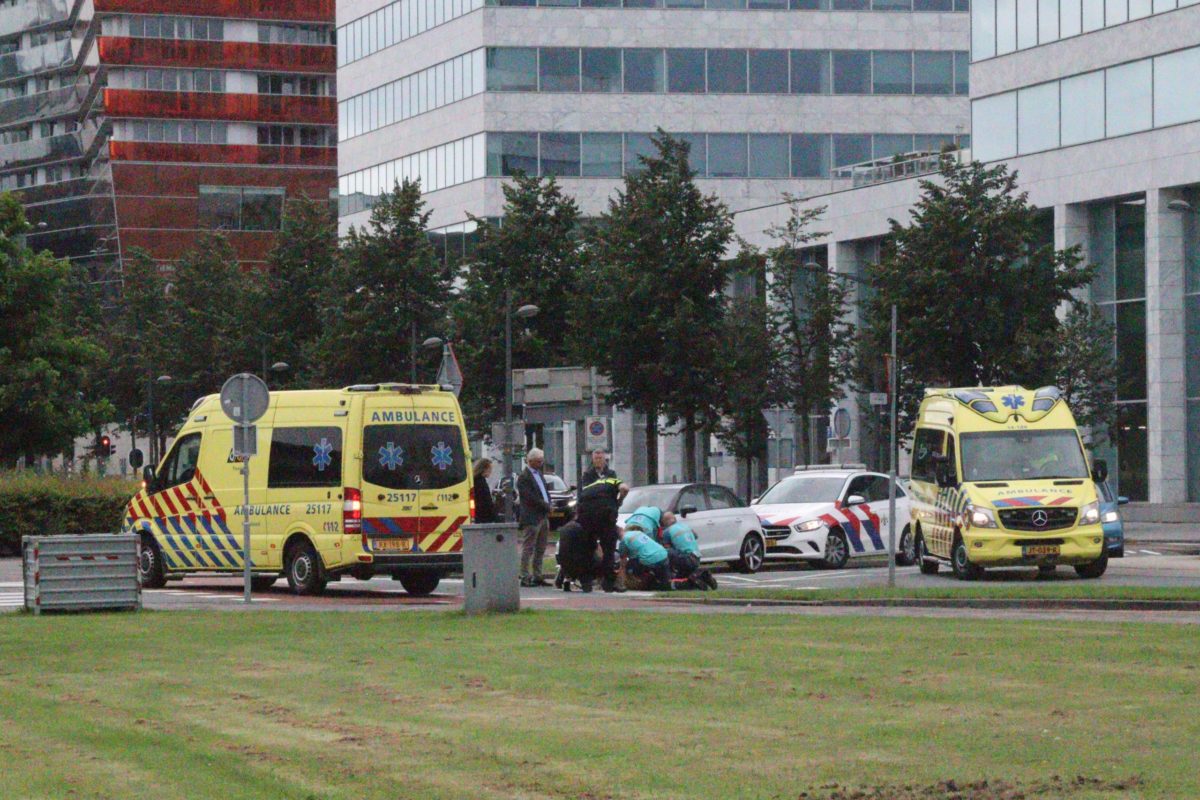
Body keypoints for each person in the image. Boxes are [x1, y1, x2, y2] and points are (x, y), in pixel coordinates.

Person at [574, 474, 629, 593]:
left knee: (587, 549)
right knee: (608, 549)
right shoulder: (613, 480)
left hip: (586, 515)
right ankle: (608, 583)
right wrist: (619, 501)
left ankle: (586, 582)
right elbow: (625, 489)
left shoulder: (589, 486)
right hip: (605, 514)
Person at [517, 448, 552, 587]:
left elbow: (544, 491)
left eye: (542, 461)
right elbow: (530, 497)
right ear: (530, 461)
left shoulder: (540, 474)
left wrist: (549, 502)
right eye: (538, 461)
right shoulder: (524, 477)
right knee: (528, 547)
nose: (541, 463)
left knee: (541, 547)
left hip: (543, 516)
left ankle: (538, 575)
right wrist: (545, 505)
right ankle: (525, 576)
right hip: (532, 516)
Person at [658, 511, 718, 591]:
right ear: (675, 519)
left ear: (664, 522)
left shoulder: (667, 532)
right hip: (697, 558)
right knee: (680, 579)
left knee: (666, 551)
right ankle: (702, 576)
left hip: (686, 559)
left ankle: (696, 577)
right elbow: (695, 536)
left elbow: (667, 550)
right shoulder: (686, 526)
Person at [617, 525, 673, 591]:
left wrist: (620, 581)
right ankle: (666, 584)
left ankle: (645, 580)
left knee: (630, 566)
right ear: (621, 529)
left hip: (650, 560)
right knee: (665, 584)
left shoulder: (623, 541)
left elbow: (623, 564)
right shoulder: (637, 532)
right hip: (663, 554)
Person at [554, 520, 599, 592]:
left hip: (564, 561)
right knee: (597, 559)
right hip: (582, 563)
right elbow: (593, 546)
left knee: (571, 558)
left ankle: (565, 577)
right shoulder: (587, 528)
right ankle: (588, 581)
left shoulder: (566, 527)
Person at [472, 458, 498, 524]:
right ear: (484, 469)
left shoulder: (475, 480)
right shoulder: (480, 482)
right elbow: (485, 501)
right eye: (490, 469)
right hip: (483, 518)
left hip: (479, 516)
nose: (491, 471)